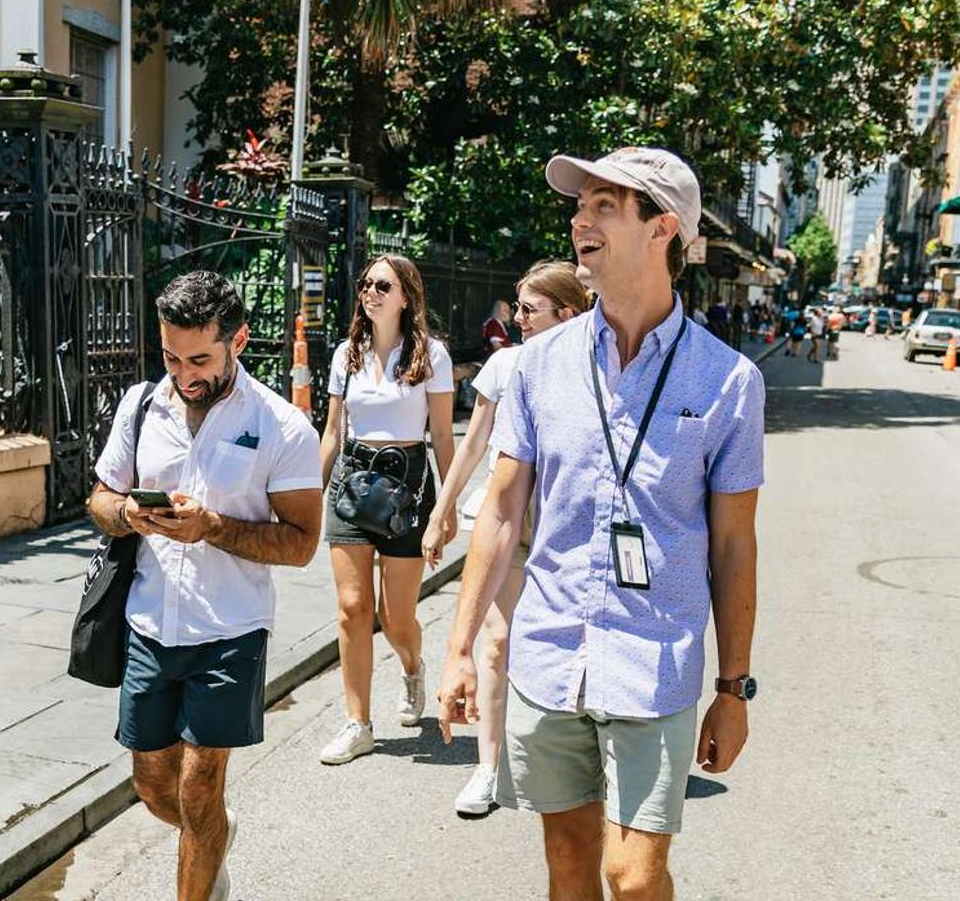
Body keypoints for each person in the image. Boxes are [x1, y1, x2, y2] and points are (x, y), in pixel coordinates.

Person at [438, 146, 763, 900]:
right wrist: (458, 647)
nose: (580, 220)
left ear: (663, 228)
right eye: (579, 205)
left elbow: (734, 545)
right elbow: (500, 510)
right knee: (568, 857)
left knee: (635, 874)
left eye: (605, 206)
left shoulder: (727, 382)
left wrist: (734, 688)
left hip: (655, 660)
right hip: (550, 653)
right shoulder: (537, 364)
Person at [87, 271, 325, 901]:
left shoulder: (280, 426)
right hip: (148, 624)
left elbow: (301, 542)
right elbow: (101, 498)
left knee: (198, 790)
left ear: (238, 340)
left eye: (199, 358)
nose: (184, 374)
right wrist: (127, 516)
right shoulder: (143, 404)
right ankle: (216, 834)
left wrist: (212, 526)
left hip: (230, 630)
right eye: (171, 356)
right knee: (155, 786)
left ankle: (201, 869)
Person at [421, 260, 591, 819]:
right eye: (517, 308)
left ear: (565, 314)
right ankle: (488, 767)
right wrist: (441, 510)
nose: (516, 319)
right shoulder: (507, 363)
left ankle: (569, 761)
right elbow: (473, 445)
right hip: (508, 522)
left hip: (567, 527)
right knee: (497, 642)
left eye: (527, 310)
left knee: (569, 642)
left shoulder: (596, 366)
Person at [317, 255, 458, 764]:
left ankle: (413, 667)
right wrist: (309, 494)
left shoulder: (431, 356)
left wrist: (447, 505)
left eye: (382, 285)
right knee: (353, 609)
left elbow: (442, 434)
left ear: (405, 296)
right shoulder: (345, 354)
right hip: (352, 485)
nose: (370, 292)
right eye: (366, 283)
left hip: (408, 487)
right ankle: (358, 723)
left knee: (396, 617)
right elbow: (333, 432)